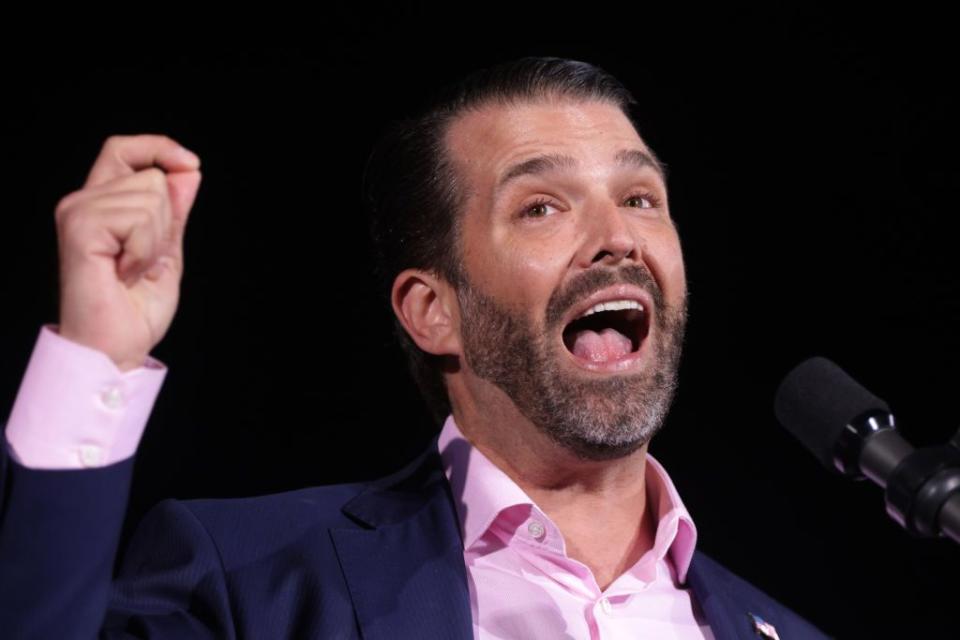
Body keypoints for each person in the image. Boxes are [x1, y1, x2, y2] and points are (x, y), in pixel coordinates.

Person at [0, 57, 828, 639]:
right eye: (542, 207)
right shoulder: (253, 578)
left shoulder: (783, 630)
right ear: (433, 312)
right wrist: (94, 357)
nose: (618, 239)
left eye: (641, 196)